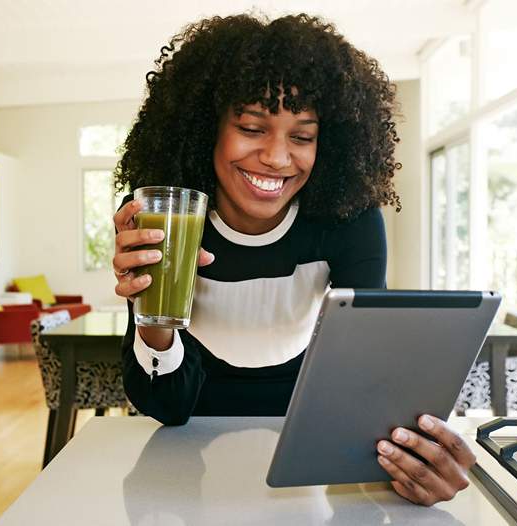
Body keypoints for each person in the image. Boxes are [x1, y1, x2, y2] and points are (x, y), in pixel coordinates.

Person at [111, 13, 475, 506]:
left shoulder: (350, 223)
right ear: (205, 131)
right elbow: (167, 406)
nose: (279, 158)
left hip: (310, 452)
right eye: (251, 127)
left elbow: (367, 377)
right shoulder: (166, 218)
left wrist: (413, 458)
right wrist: (151, 314)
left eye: (302, 137)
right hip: (183, 452)